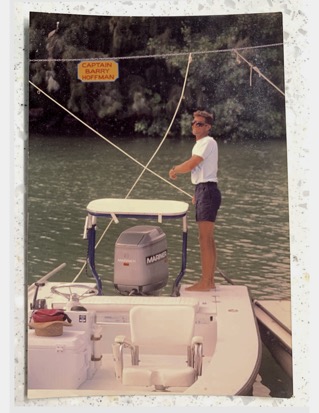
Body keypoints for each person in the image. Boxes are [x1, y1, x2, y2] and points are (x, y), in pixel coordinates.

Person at [169, 110, 221, 291]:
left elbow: (192, 164)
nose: (194, 125)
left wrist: (175, 169)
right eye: (193, 122)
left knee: (205, 239)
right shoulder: (201, 144)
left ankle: (206, 282)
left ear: (208, 127)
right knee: (208, 238)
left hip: (207, 190)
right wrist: (198, 193)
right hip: (204, 190)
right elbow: (200, 172)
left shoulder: (207, 142)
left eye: (199, 123)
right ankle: (210, 281)